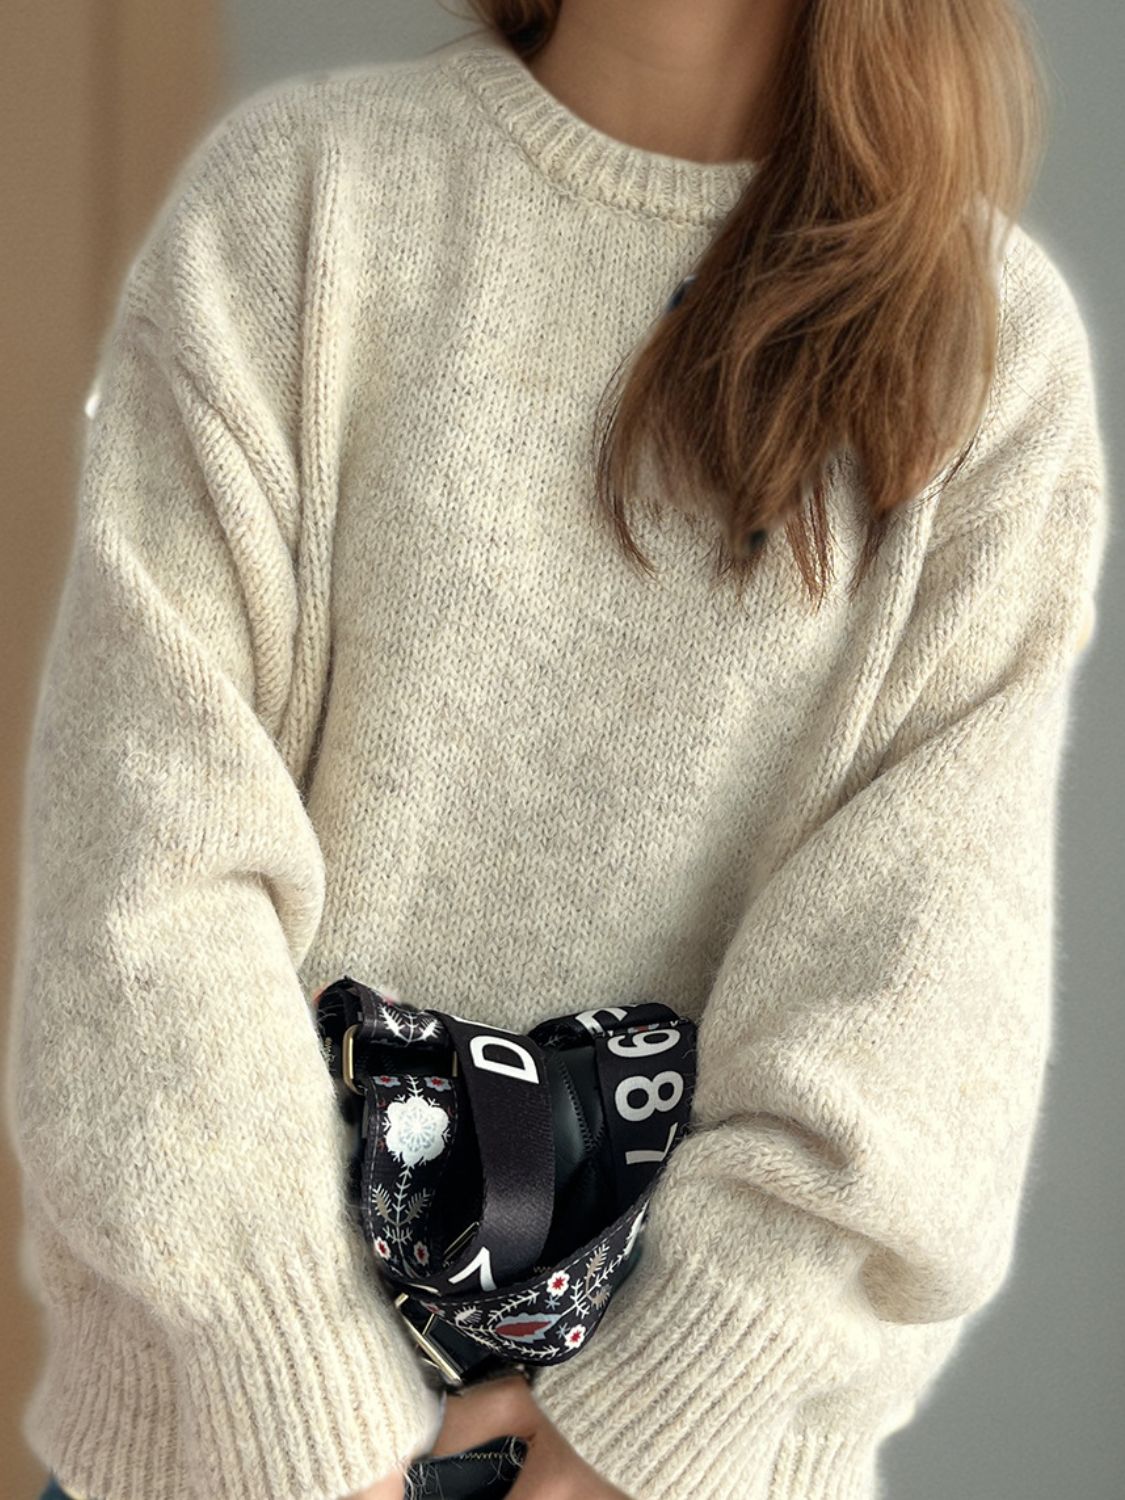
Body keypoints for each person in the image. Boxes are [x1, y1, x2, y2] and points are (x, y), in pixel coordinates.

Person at [9, 2, 1109, 1498]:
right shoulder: (298, 209)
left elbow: (920, 991)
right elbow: (144, 868)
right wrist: (298, 1402)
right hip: (231, 1452)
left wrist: (650, 1424)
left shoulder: (985, 349)